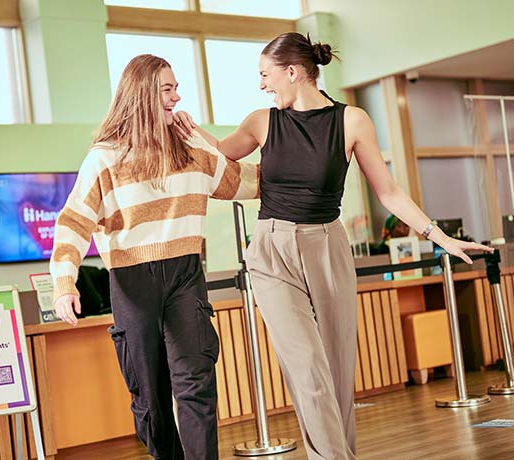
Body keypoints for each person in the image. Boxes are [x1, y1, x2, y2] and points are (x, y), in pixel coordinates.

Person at [174, 32, 494, 460]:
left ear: (293, 72)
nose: (262, 85)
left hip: (328, 245)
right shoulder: (262, 121)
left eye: (265, 75)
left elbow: (390, 193)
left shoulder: (352, 121)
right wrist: (186, 129)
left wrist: (439, 236)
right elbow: (220, 154)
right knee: (307, 368)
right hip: (271, 250)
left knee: (337, 370)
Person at [49, 54, 259, 460]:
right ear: (142, 94)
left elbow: (245, 182)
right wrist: (64, 284)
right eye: (168, 89)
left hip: (185, 276)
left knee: (196, 383)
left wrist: (305, 170)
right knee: (150, 396)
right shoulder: (105, 158)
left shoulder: (191, 150)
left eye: (176, 88)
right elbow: (72, 222)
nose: (177, 97)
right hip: (131, 283)